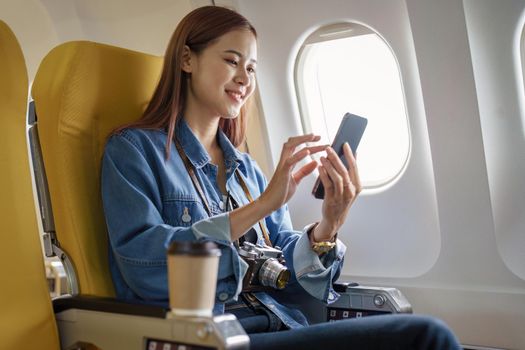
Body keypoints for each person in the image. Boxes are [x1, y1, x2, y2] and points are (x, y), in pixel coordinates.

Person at [101, 5, 461, 349]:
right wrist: (261, 207)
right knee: (425, 336)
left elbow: (292, 283)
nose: (244, 78)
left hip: (281, 324)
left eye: (253, 68)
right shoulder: (133, 151)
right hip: (211, 338)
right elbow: (142, 263)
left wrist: (328, 226)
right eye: (231, 61)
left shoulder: (247, 171)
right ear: (187, 59)